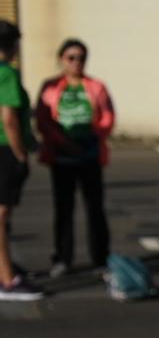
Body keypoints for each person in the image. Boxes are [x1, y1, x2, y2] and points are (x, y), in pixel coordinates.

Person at [36, 38, 115, 277]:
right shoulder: (50, 87)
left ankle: (100, 257)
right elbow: (43, 119)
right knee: (64, 209)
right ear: (62, 60)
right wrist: (64, 142)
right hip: (62, 156)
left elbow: (107, 117)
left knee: (95, 208)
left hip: (89, 153)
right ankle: (63, 257)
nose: (76, 63)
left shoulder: (96, 86)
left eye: (81, 58)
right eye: (71, 58)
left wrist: (93, 138)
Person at [0, 20, 41, 301]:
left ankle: (5, 271)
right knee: (1, 216)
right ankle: (7, 280)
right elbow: (9, 118)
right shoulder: (7, 75)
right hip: (4, 149)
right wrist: (20, 152)